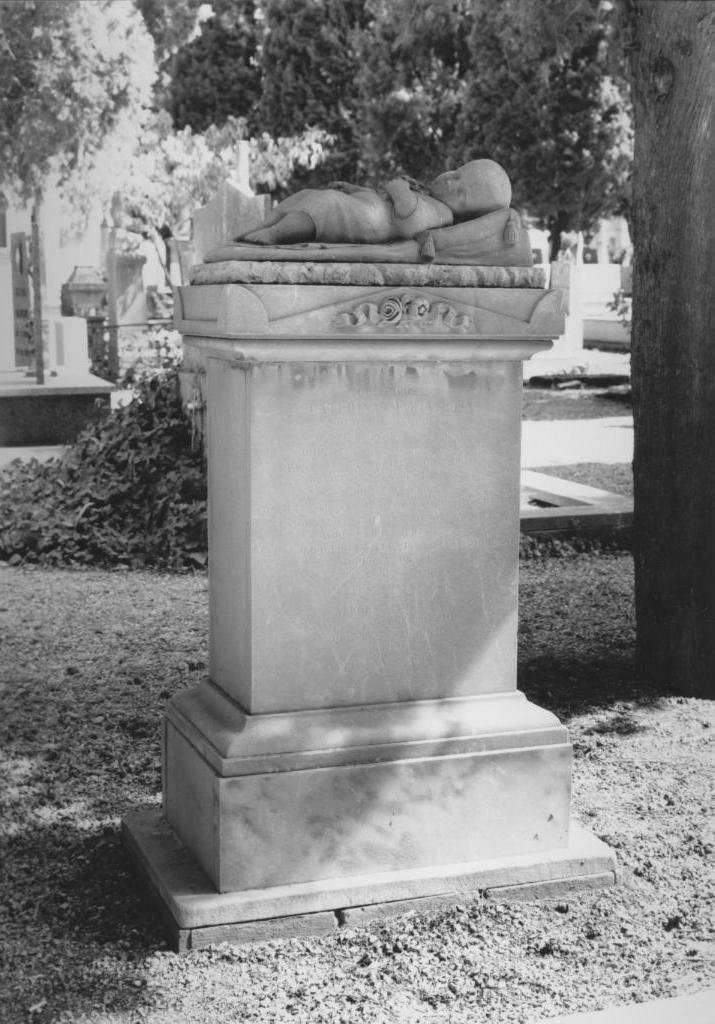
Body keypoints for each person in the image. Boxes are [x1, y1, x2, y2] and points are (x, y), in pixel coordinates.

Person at [237, 159, 512, 247]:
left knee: (325, 205)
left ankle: (273, 234)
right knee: (308, 195)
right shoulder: (429, 195)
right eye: (456, 174)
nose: (450, 183)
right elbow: (378, 196)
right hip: (364, 207)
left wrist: (399, 189)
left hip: (368, 221)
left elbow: (409, 220)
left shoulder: (442, 215)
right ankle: (267, 223)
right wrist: (356, 189)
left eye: (461, 193)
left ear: (467, 215)